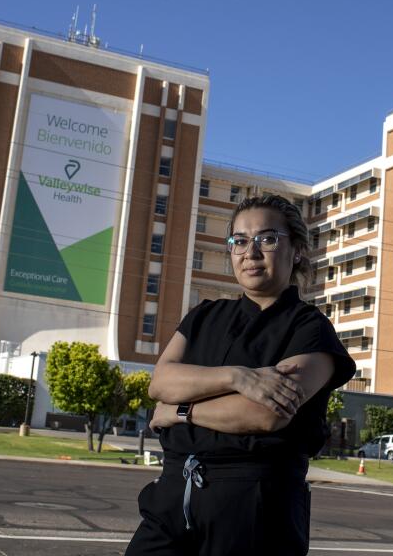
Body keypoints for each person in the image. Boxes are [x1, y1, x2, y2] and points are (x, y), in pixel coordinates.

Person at [125, 194, 356, 556]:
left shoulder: (310, 329)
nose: (251, 252)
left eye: (267, 238)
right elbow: (162, 382)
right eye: (239, 240)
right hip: (172, 498)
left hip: (256, 509)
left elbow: (266, 414)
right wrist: (238, 378)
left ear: (296, 250)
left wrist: (182, 411)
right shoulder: (204, 316)